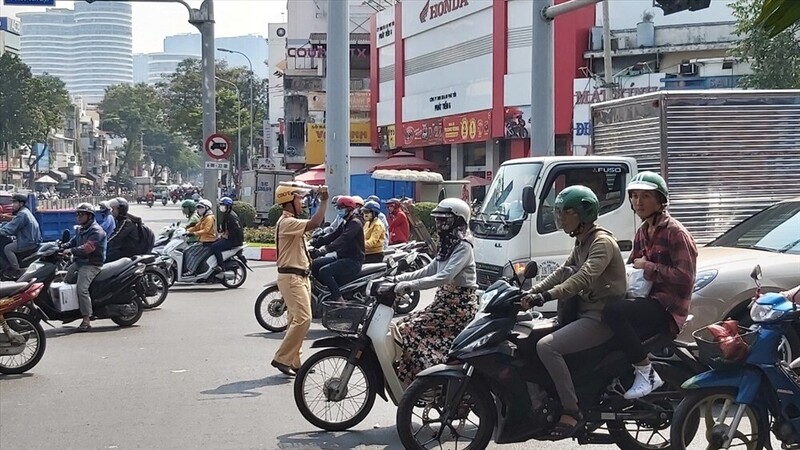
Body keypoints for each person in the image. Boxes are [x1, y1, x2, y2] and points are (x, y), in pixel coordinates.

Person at [519, 185, 626, 440]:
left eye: (566, 213)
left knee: (547, 347)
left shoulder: (601, 242)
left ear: (582, 214)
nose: (560, 218)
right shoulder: (582, 241)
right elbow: (561, 272)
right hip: (581, 312)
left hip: (599, 316)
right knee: (532, 336)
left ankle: (571, 410)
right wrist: (530, 293)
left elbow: (583, 277)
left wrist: (544, 297)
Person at [602, 172, 697, 400]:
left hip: (667, 309)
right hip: (645, 301)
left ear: (660, 200)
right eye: (634, 196)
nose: (638, 202)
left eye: (645, 196)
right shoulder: (643, 231)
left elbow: (686, 276)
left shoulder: (676, 233)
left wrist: (649, 266)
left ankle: (647, 372)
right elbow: (630, 266)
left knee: (614, 312)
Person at [392, 198, 478, 386]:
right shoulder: (448, 243)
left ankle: (431, 379)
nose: (439, 224)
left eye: (444, 219)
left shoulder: (464, 246)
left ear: (458, 220)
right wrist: (398, 279)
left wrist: (410, 286)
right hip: (444, 302)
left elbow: (444, 277)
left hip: (458, 306)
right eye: (438, 219)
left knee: (409, 330)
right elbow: (431, 269)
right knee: (400, 325)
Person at [271, 182, 329, 376]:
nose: (302, 202)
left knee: (295, 320)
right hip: (291, 277)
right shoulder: (287, 222)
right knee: (304, 319)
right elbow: (315, 223)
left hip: (299, 276)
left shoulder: (291, 221)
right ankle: (281, 358)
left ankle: (295, 360)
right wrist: (324, 201)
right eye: (298, 198)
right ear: (289, 200)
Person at [310, 196, 365, 302]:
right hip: (342, 257)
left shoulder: (355, 223)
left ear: (349, 209)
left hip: (353, 261)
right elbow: (333, 235)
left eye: (341, 208)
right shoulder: (346, 221)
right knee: (314, 264)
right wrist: (315, 243)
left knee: (324, 271)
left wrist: (325, 250)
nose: (339, 211)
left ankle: (338, 299)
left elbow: (343, 239)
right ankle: (324, 292)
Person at [63, 203, 107, 331]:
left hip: (91, 264)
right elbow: (73, 241)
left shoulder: (96, 231)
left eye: (82, 214)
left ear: (90, 216)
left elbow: (89, 247)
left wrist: (72, 250)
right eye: (78, 214)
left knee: (81, 289)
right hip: (79, 262)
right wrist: (62, 245)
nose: (79, 217)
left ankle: (86, 319)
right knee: (66, 282)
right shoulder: (81, 229)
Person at [0, 193, 41, 275]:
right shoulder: (25, 211)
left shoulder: (22, 214)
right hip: (29, 238)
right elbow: (12, 223)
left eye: (15, 202)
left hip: (27, 241)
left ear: (21, 204)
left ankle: (16, 269)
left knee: (8, 248)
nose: (13, 205)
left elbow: (10, 229)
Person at [210, 197, 243, 272]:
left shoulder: (232, 217)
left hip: (233, 240)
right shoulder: (227, 215)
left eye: (223, 205)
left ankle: (221, 266)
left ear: (228, 206)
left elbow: (236, 230)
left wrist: (226, 235)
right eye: (221, 205)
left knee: (215, 247)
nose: (221, 207)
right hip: (230, 238)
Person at [184, 199, 217, 274]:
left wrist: (194, 233)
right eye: (198, 207)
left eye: (201, 207)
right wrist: (187, 231)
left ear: (207, 208)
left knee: (190, 252)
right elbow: (196, 227)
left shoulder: (209, 218)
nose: (199, 209)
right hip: (202, 241)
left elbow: (206, 230)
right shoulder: (204, 217)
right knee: (187, 250)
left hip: (208, 242)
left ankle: (191, 270)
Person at [106, 197, 143, 262]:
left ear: (120, 210)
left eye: (113, 209)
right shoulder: (119, 220)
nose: (111, 211)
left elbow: (116, 237)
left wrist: (102, 244)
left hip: (127, 252)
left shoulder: (126, 222)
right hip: (121, 248)